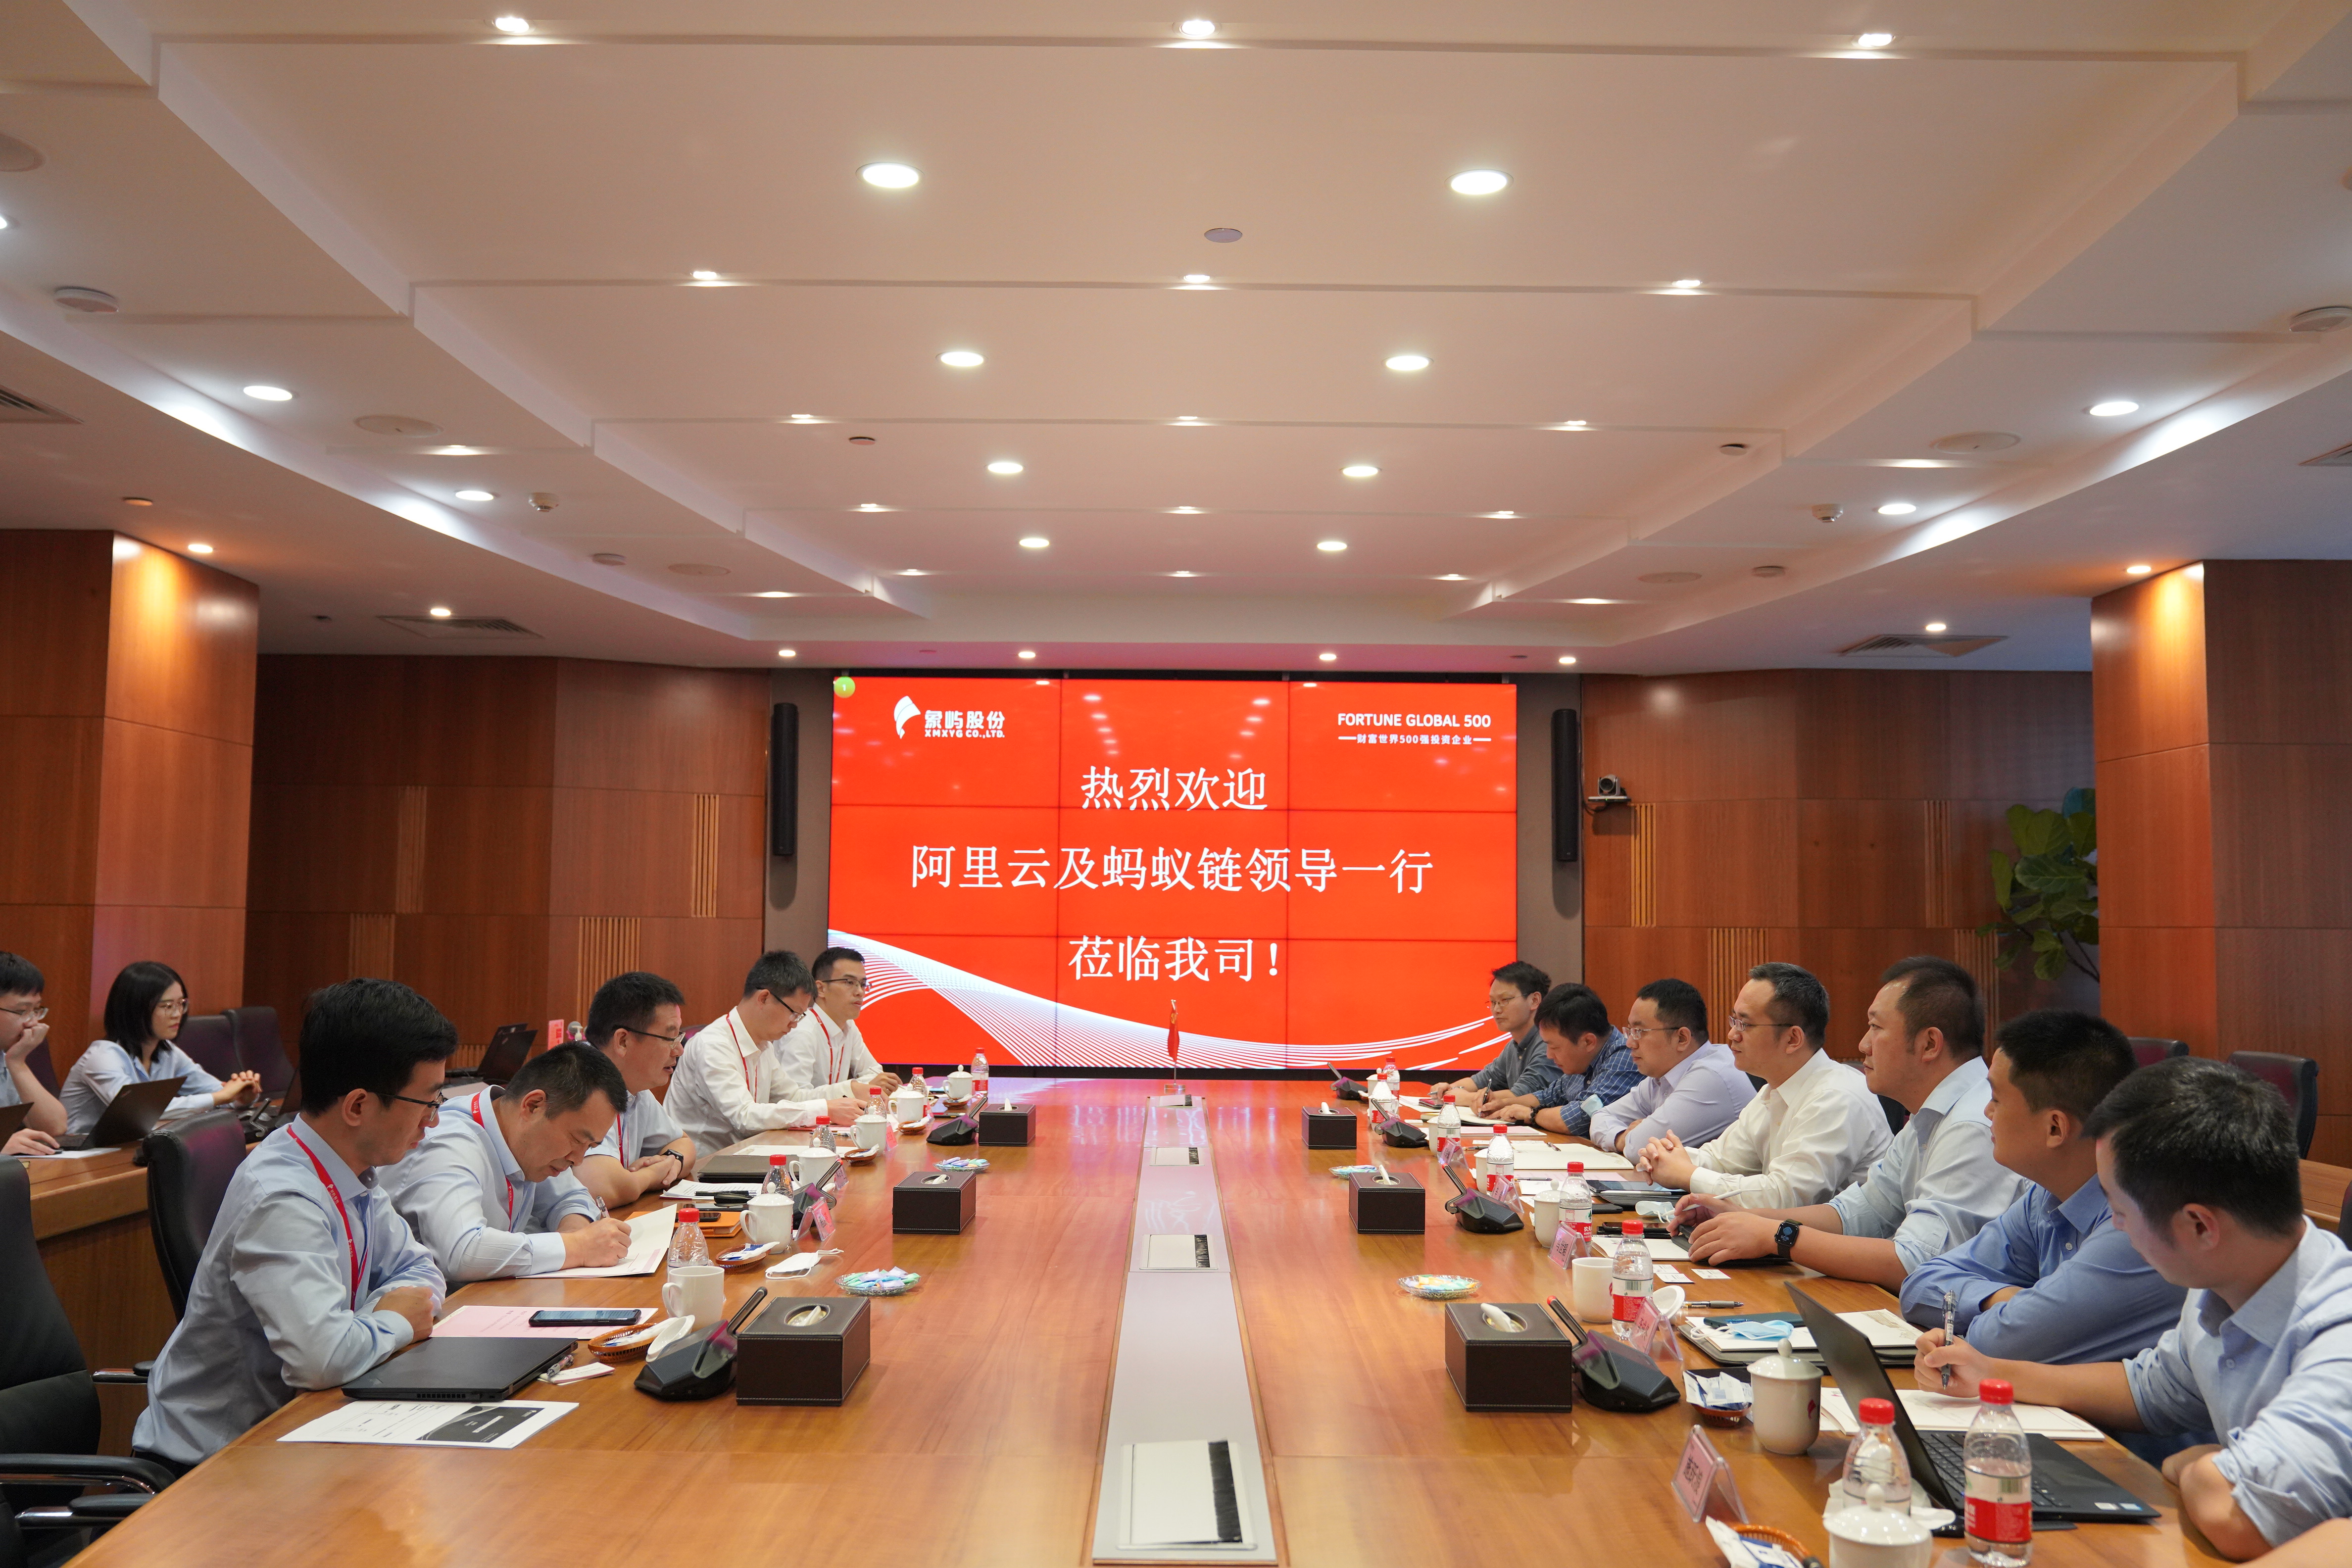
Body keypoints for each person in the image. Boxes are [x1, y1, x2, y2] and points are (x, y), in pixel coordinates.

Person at [1914, 1057, 2352, 1561]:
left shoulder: (2337, 1335)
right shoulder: (2220, 1284)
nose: (2115, 1227)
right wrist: (1992, 1374)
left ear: (2200, 1227)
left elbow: (2239, 1518)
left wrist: (2198, 1465)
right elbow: (2151, 1389)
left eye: (2120, 1211)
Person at [131, 979, 451, 1471]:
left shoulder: (349, 1169)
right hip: (216, 1465)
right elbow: (321, 1359)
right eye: (427, 1103)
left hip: (303, 1432)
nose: (433, 1122)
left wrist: (367, 1326)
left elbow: (421, 1271)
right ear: (358, 1106)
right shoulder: (283, 1195)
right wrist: (395, 1321)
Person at [1682, 956, 2022, 1287]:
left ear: (1929, 1044)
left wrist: (1778, 1235)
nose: (1863, 1044)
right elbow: (1859, 1213)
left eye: (1876, 1027)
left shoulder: (1972, 1125)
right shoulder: (1928, 1115)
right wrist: (1739, 1215)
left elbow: (1915, 1262)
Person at [1898, 1009, 2183, 1361]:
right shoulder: (2045, 1197)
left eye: (1997, 1099)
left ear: (2055, 1128)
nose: (1987, 1112)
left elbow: (2001, 1343)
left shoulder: (2134, 1222)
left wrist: (2021, 1315)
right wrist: (2006, 1299)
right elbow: (1920, 1285)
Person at [1639, 962, 1890, 1210]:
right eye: (1734, 1020)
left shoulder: (1835, 1097)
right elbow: (1722, 1160)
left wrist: (1688, 1175)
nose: (1732, 1035)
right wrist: (1665, 1157)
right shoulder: (1774, 1090)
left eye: (1745, 1025)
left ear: (1793, 1039)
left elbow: (1786, 1197)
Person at [381, 1042, 631, 1279]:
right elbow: (463, 1252)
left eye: (590, 1147)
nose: (578, 1160)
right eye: (577, 1140)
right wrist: (577, 1246)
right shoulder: (449, 1145)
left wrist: (575, 1233)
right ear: (533, 1106)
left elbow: (570, 1197)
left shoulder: (521, 1135)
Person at [668, 950, 858, 1159]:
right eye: (794, 1013)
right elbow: (744, 1117)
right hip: (701, 1165)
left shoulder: (764, 1044)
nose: (795, 1024)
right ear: (764, 998)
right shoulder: (714, 1045)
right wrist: (824, 1109)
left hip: (742, 1156)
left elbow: (794, 1096)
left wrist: (849, 1091)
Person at [61, 961, 260, 1135]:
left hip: (130, 1149)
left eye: (181, 1004)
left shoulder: (168, 1053)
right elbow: (140, 1112)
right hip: (80, 1154)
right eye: (167, 1006)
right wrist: (222, 1096)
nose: (178, 1014)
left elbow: (217, 1092)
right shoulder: (103, 1057)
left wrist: (242, 1096)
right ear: (136, 1010)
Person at [1587, 978, 1754, 1154]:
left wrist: (1626, 1139)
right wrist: (1622, 1137)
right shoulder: (1663, 1075)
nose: (1630, 1043)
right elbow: (1601, 1117)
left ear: (1682, 1038)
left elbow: (1640, 1147)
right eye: (1630, 1031)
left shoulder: (1711, 1076)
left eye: (1639, 1032)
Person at [576, 970, 698, 1208]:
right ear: (623, 1041)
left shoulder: (634, 1087)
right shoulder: (581, 1083)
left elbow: (684, 1145)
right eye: (670, 1038)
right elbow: (602, 1189)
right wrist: (654, 1174)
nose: (679, 1050)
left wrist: (671, 1161)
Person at [1493, 984, 1641, 1138]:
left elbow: (1579, 1119)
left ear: (1588, 1042)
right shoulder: (1581, 1061)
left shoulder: (1625, 1058)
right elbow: (1549, 1096)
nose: (1549, 1055)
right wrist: (1502, 1105)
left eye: (1554, 1047)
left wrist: (1532, 1114)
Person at [775, 946, 901, 1103]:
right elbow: (794, 1099)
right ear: (821, 989)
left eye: (863, 984)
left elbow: (874, 1073)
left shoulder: (849, 1026)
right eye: (850, 982)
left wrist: (861, 1087)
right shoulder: (802, 1032)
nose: (860, 992)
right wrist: (855, 1089)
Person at [1438, 961, 1549, 1113]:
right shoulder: (1514, 1046)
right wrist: (1449, 1089)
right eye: (1493, 1002)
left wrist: (1463, 1098)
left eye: (1505, 1000)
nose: (1496, 1010)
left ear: (1534, 1000)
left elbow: (1522, 1096)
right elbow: (1482, 1080)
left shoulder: (1549, 1043)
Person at [0, 951, 68, 1155]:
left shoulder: (8, 1055)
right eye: (23, 1011)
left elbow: (54, 1128)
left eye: (36, 1010)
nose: (33, 1023)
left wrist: (17, 1063)